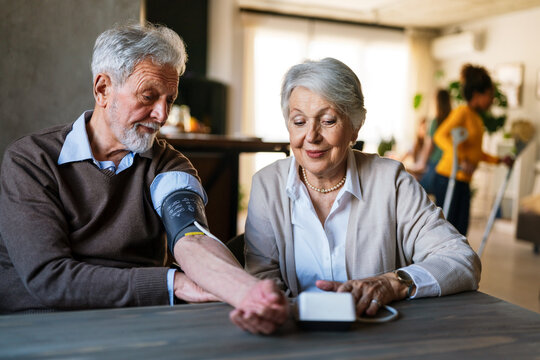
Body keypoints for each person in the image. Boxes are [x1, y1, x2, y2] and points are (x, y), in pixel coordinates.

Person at [0, 22, 288, 334]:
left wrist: (247, 293)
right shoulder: (32, 159)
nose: (162, 115)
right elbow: (50, 278)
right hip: (38, 323)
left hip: (137, 323)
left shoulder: (168, 165)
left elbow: (192, 237)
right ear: (103, 89)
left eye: (170, 100)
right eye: (148, 96)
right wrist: (173, 283)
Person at [244, 58, 480, 317]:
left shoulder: (391, 181)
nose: (311, 136)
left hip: (380, 339)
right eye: (299, 122)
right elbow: (261, 278)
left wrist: (393, 283)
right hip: (294, 337)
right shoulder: (267, 185)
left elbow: (461, 259)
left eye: (328, 121)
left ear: (355, 127)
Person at [433, 64, 512, 236]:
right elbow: (440, 135)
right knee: (447, 234)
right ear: (477, 94)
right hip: (448, 178)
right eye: (489, 94)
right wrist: (461, 159)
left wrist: (499, 160)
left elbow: (477, 153)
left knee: (460, 234)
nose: (492, 99)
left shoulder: (476, 118)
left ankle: (457, 264)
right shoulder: (462, 112)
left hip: (463, 181)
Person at [416, 89, 452, 193]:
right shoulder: (452, 121)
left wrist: (420, 163)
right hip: (448, 167)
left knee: (417, 189)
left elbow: (429, 147)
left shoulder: (435, 122)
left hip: (435, 166)